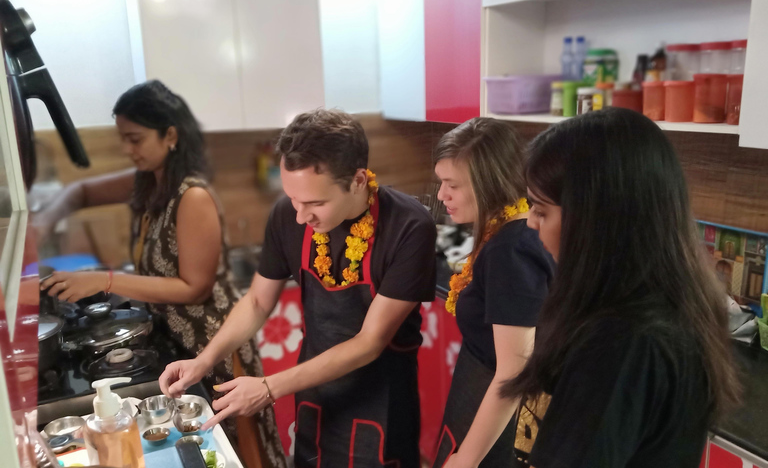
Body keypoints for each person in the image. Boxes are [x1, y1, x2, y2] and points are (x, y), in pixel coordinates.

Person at [158, 109, 437, 468]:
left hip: (381, 400)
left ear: (357, 180)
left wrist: (270, 387)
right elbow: (258, 301)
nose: (301, 216)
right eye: (293, 198)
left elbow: (370, 342)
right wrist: (204, 360)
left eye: (316, 203)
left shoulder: (410, 226)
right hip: (314, 393)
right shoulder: (285, 217)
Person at [36, 80, 285, 468]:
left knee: (238, 449)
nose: (127, 150)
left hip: (213, 345)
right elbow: (81, 192)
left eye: (135, 139)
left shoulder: (192, 196)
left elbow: (194, 286)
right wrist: (41, 223)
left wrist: (104, 279)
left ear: (170, 135)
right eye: (122, 139)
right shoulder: (149, 182)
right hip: (180, 346)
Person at [502, 108, 740, 467]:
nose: (532, 224)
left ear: (595, 218)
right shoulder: (653, 309)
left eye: (540, 209)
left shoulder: (621, 343)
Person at [431, 118, 554, 468]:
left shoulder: (511, 250)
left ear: (488, 184)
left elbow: (514, 371)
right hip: (479, 394)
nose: (442, 195)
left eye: (451, 184)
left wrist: (465, 460)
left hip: (502, 418)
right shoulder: (506, 231)